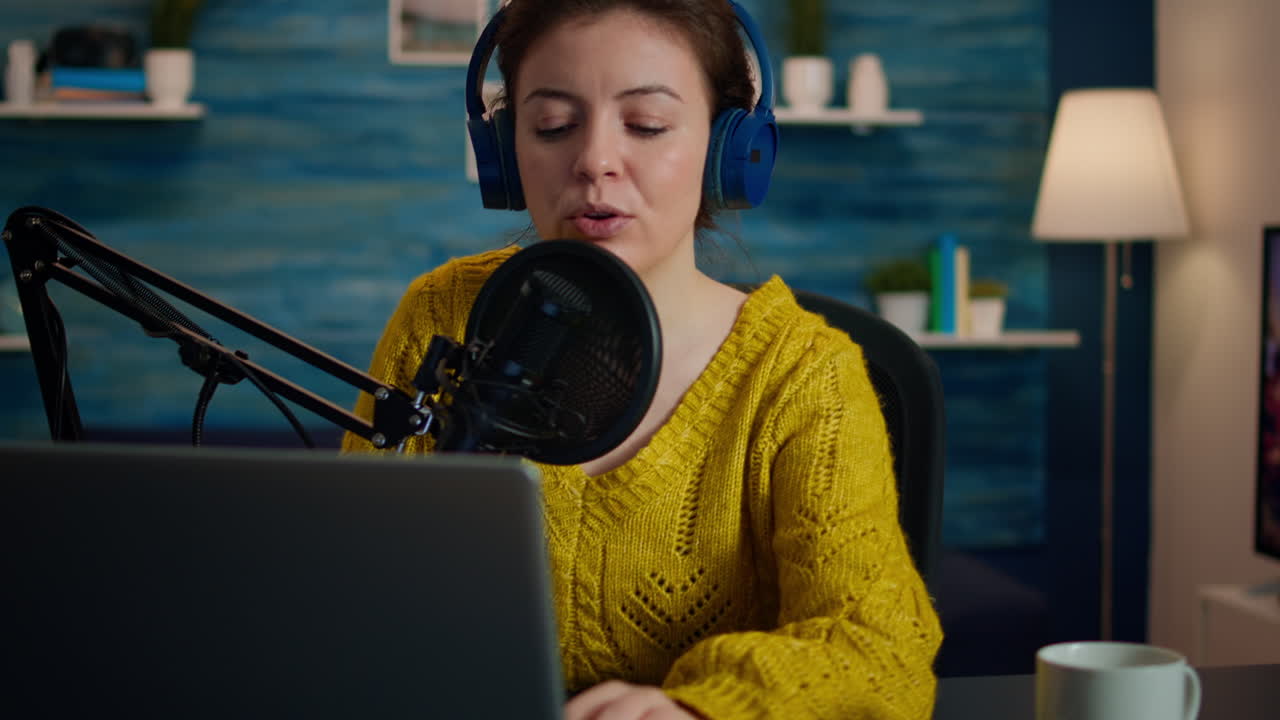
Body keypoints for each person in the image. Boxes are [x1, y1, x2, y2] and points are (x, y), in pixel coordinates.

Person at [344, 1, 942, 717]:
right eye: (553, 126)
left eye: (647, 125)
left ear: (728, 152)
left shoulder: (803, 378)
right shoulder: (444, 314)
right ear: (505, 152)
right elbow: (352, 584)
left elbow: (880, 651)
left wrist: (700, 709)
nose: (595, 161)